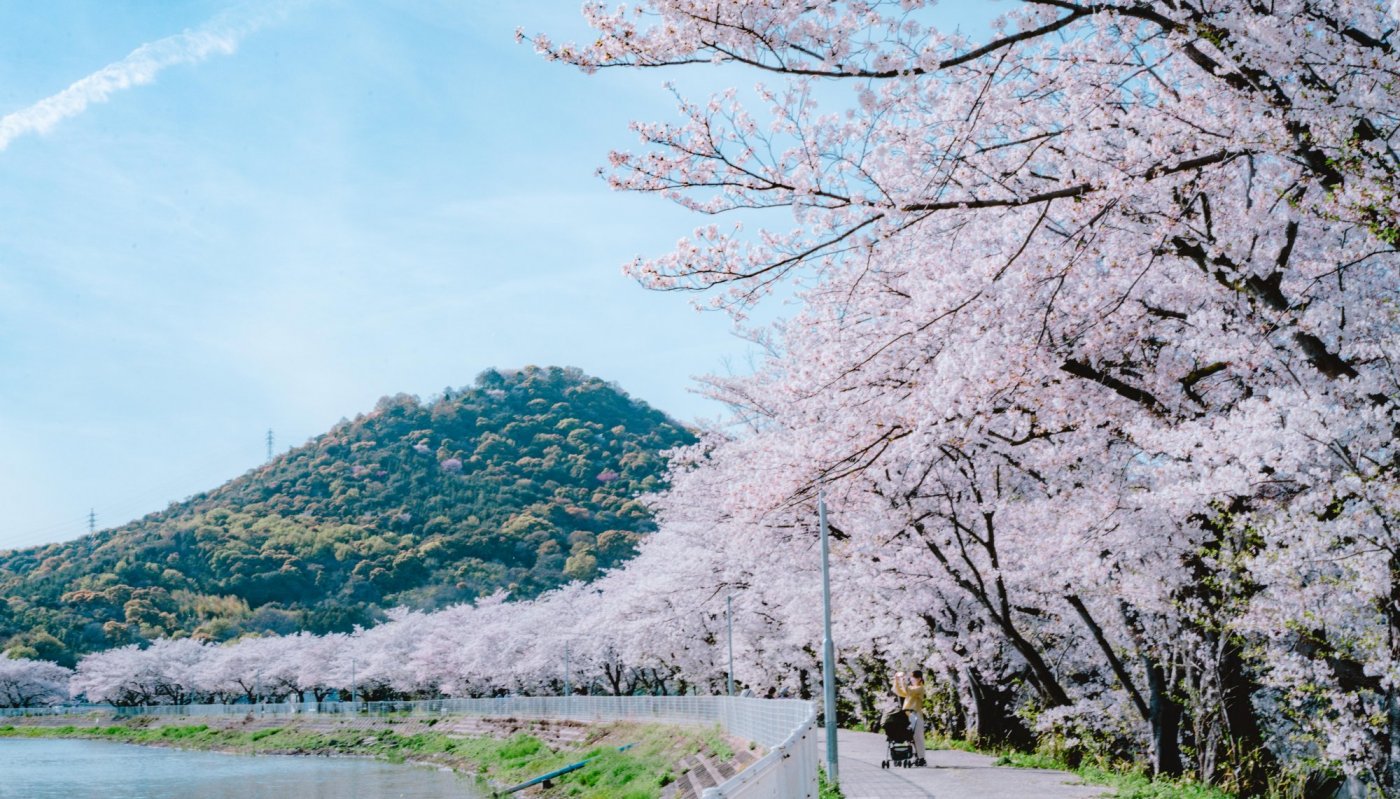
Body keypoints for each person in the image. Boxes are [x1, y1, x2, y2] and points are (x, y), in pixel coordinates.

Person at [892, 669, 927, 764]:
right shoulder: (912, 688)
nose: (911, 679)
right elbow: (899, 691)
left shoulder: (920, 688)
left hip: (916, 714)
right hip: (907, 714)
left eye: (913, 678)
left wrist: (902, 680)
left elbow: (907, 690)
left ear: (919, 679)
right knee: (909, 737)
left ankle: (921, 758)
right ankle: (914, 755)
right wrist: (896, 679)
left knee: (917, 737)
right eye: (911, 677)